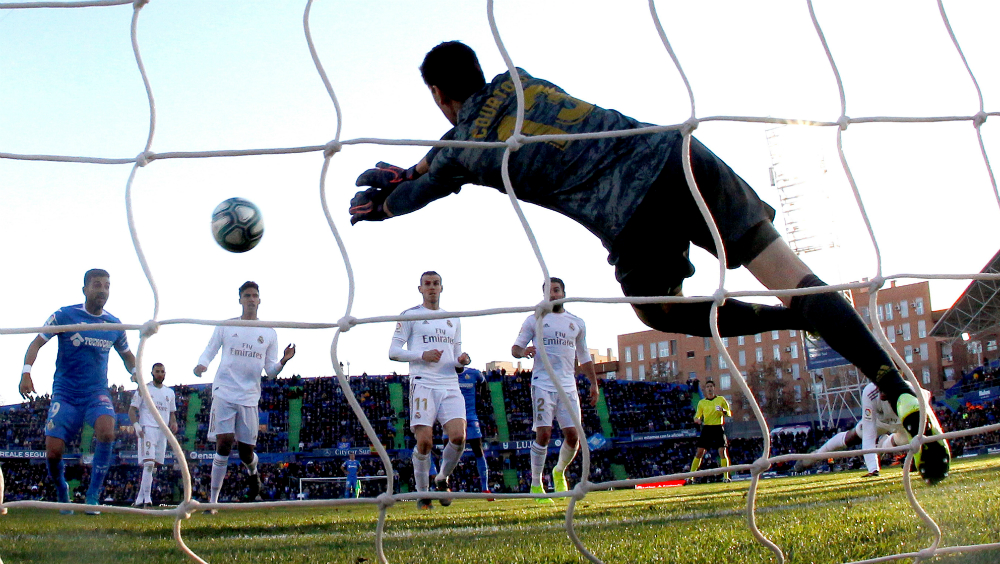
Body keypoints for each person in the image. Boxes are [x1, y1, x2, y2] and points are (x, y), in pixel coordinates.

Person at [349, 40, 949, 485]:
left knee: (659, 309)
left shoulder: (463, 149)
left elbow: (417, 187)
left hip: (631, 213)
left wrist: (386, 201)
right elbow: (448, 146)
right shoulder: (516, 78)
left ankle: (791, 321)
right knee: (796, 278)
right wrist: (420, 167)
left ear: (436, 96)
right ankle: (895, 385)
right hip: (677, 152)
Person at [18, 268, 136, 515]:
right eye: (96, 284)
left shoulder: (115, 325)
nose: (102, 289)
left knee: (106, 431)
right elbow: (37, 342)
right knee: (53, 452)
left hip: (96, 393)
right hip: (66, 394)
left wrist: (136, 373)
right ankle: (63, 492)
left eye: (106, 285)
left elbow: (127, 355)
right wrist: (26, 372)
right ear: (85, 289)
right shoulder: (65, 315)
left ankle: (92, 497)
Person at [194, 281, 296, 512]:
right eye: (247, 295)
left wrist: (283, 360)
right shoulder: (227, 325)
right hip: (224, 390)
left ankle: (253, 473)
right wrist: (202, 365)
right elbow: (211, 348)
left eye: (254, 295)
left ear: (260, 300)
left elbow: (269, 371)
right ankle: (213, 502)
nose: (251, 299)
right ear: (239, 299)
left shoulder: (269, 331)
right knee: (224, 443)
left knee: (246, 452)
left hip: (249, 395)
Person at [511, 277, 599, 504]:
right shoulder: (535, 320)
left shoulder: (576, 322)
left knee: (573, 436)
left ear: (564, 292)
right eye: (548, 291)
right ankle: (536, 485)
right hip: (542, 383)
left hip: (568, 385)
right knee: (544, 434)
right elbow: (515, 348)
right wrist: (524, 352)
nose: (553, 294)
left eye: (556, 290)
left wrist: (593, 383)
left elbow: (584, 356)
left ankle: (559, 471)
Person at [389, 271, 471, 509]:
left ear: (442, 288)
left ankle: (442, 478)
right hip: (423, 382)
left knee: (459, 437)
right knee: (424, 442)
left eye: (436, 284)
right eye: (427, 284)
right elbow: (393, 352)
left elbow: (456, 360)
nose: (432, 288)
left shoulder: (453, 318)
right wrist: (421, 355)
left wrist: (462, 360)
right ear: (420, 289)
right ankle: (423, 494)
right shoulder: (410, 316)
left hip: (449, 384)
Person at [794, 383, 918, 477]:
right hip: (878, 421)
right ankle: (815, 456)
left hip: (904, 425)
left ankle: (883, 444)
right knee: (854, 436)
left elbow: (926, 429)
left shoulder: (912, 393)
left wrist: (919, 458)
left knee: (904, 440)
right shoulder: (871, 392)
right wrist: (873, 469)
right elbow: (869, 434)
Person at [128, 362, 178, 508]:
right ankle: (147, 499)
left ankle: (139, 499)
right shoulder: (144, 389)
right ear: (152, 373)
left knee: (153, 466)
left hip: (163, 431)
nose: (160, 374)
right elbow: (132, 410)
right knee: (148, 463)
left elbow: (172, 413)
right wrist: (136, 425)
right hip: (148, 428)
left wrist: (173, 423)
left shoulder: (170, 393)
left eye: (162, 371)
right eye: (157, 371)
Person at [443, 367, 492, 497]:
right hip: (451, 416)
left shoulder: (474, 373)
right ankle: (444, 484)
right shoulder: (446, 372)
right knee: (447, 450)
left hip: (470, 416)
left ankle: (485, 488)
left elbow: (484, 383)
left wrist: (483, 399)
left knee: (478, 449)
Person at [688, 380, 732, 483]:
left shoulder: (721, 399)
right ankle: (691, 477)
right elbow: (697, 415)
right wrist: (697, 419)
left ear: (714, 388)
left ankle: (726, 476)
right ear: (705, 389)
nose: (709, 388)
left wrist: (723, 410)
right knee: (699, 452)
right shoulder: (702, 402)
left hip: (718, 427)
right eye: (707, 386)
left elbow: (729, 413)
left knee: (722, 451)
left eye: (711, 386)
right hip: (707, 428)